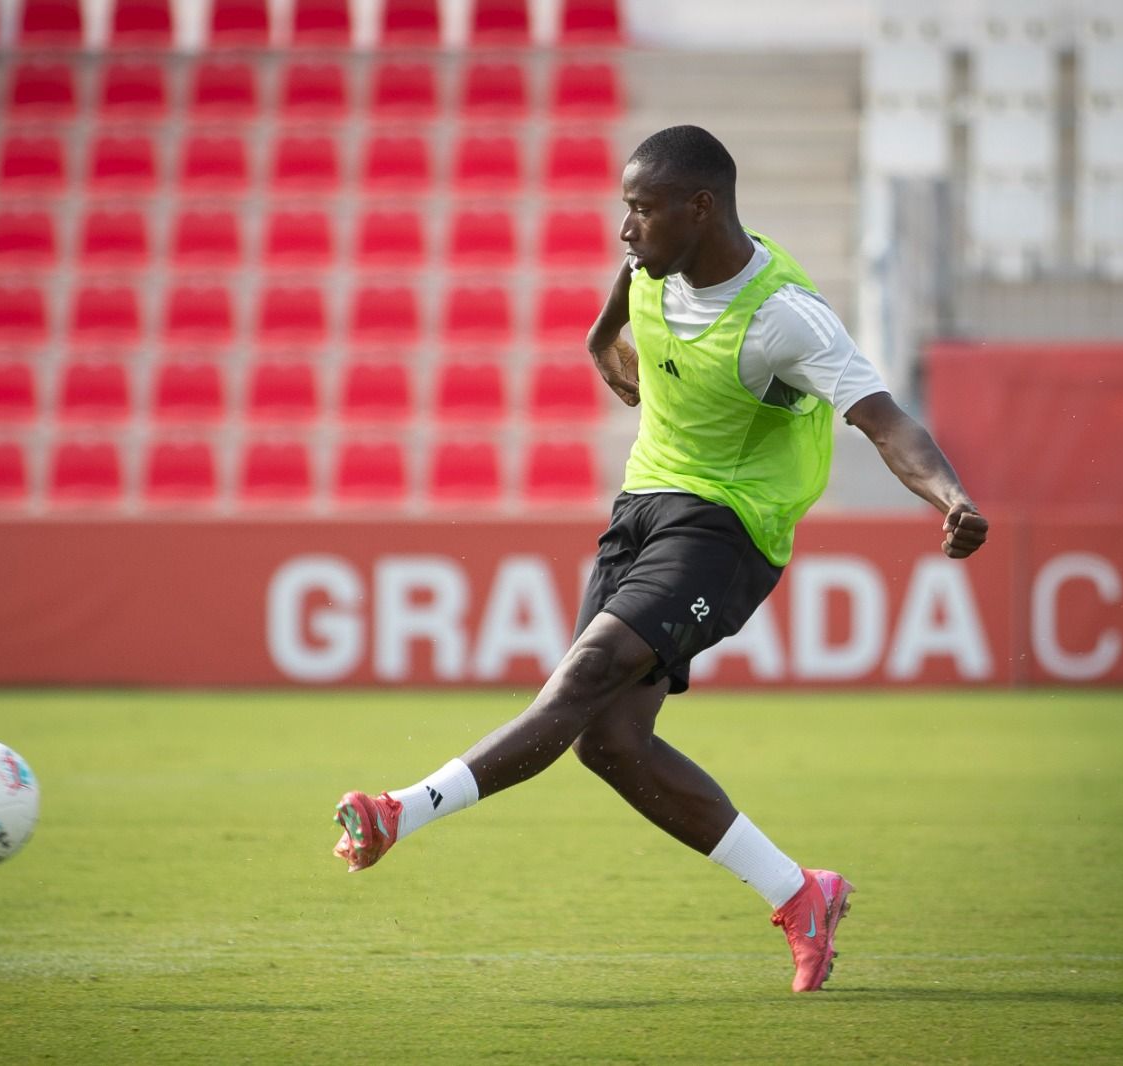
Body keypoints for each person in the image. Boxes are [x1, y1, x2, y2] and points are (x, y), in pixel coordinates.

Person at [332, 125, 989, 993]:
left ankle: (398, 813)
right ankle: (801, 894)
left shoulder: (785, 319)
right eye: (626, 208)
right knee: (608, 742)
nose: (626, 228)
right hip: (641, 507)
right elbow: (620, 301)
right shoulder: (653, 264)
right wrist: (598, 339)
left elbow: (885, 420)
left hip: (729, 528)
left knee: (584, 674)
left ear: (700, 208)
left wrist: (950, 497)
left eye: (641, 209)